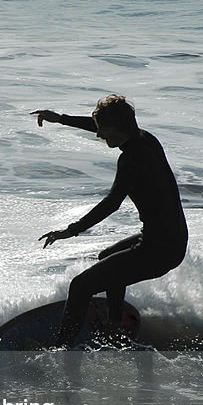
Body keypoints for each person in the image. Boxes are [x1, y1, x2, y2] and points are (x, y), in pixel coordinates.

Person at [30, 94, 188, 348]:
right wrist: (60, 119)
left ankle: (62, 349)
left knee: (80, 286)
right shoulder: (146, 140)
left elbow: (111, 203)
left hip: (158, 250)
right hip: (172, 240)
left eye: (102, 130)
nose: (98, 135)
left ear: (116, 128)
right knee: (108, 257)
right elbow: (99, 125)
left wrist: (71, 231)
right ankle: (114, 327)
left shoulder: (130, 161)